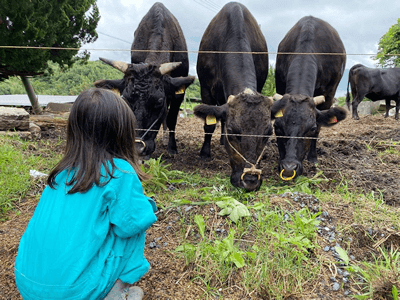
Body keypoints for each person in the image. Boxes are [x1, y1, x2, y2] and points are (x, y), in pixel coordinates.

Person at [14, 88, 157, 300]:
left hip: (27, 282)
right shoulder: (120, 172)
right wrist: (148, 206)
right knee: (135, 224)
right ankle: (117, 291)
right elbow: (135, 222)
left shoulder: (61, 173)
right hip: (73, 292)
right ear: (122, 133)